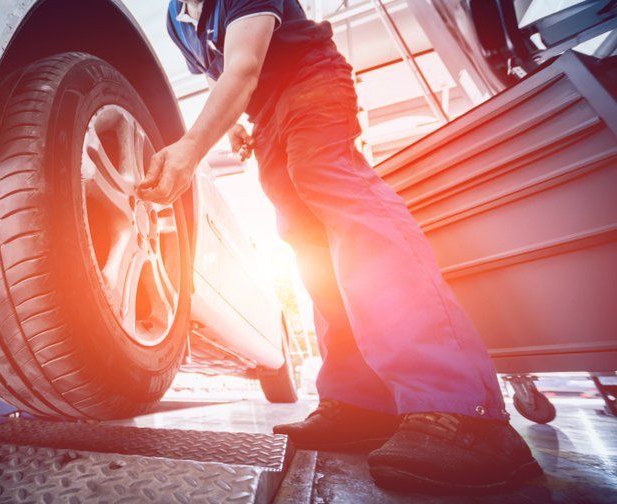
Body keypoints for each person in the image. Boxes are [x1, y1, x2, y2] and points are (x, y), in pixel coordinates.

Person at [140, 0, 542, 493]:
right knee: (306, 243)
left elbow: (244, 65)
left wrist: (190, 148)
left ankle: (460, 407)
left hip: (312, 82)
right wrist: (238, 123)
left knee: (343, 204)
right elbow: (219, 71)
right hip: (267, 117)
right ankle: (360, 404)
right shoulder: (177, 18)